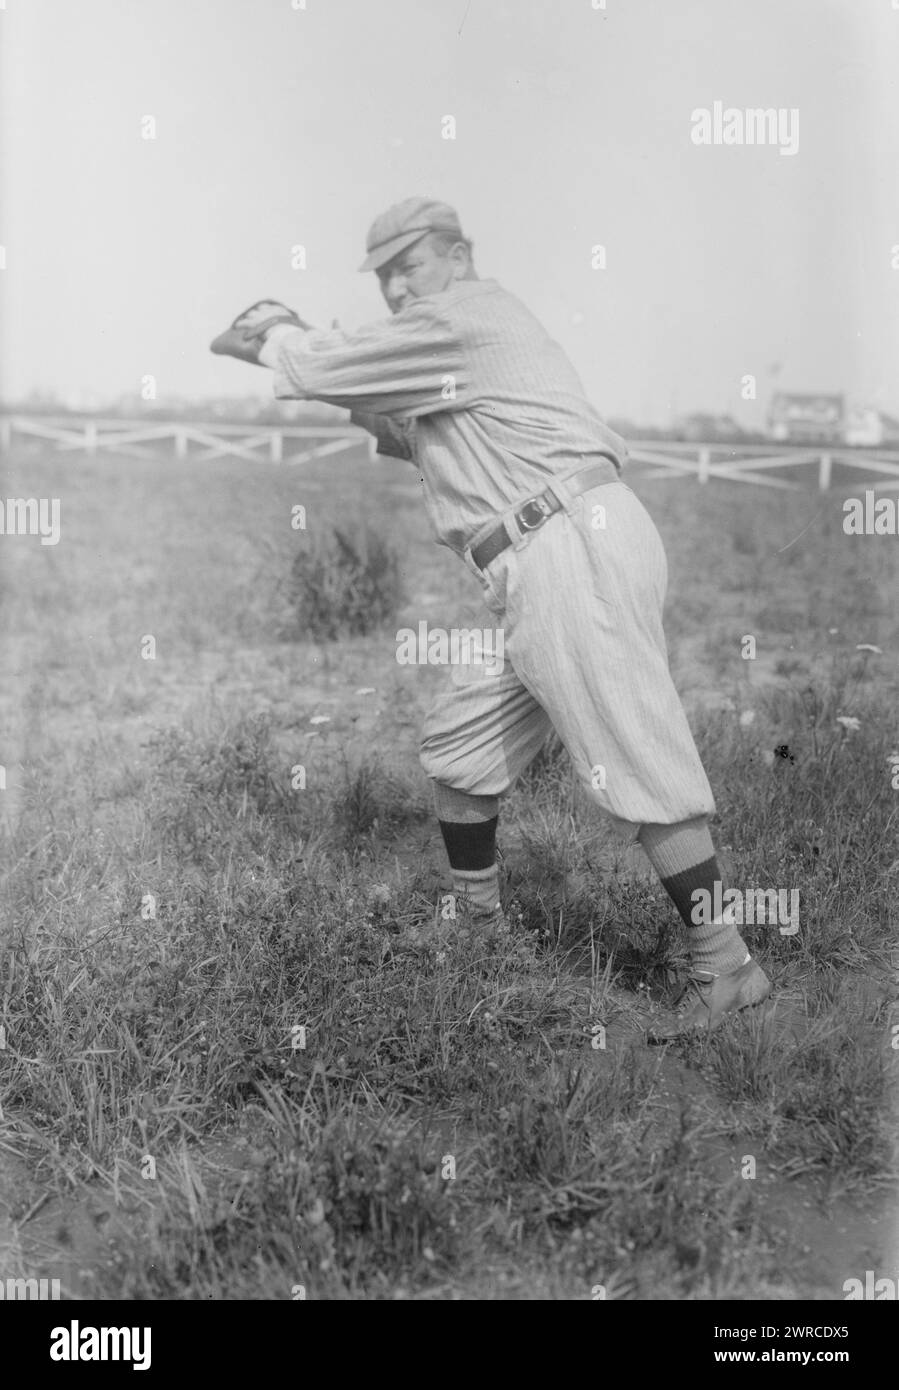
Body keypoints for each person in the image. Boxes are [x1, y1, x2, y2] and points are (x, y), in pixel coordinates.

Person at [210, 196, 771, 1040]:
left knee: (633, 754)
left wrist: (275, 333)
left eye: (412, 264)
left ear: (458, 256)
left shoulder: (464, 315)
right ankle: (477, 934)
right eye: (386, 273)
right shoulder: (450, 344)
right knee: (460, 748)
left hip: (566, 542)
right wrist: (319, 362)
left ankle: (725, 965)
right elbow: (397, 422)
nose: (399, 286)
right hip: (540, 555)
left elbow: (328, 367)